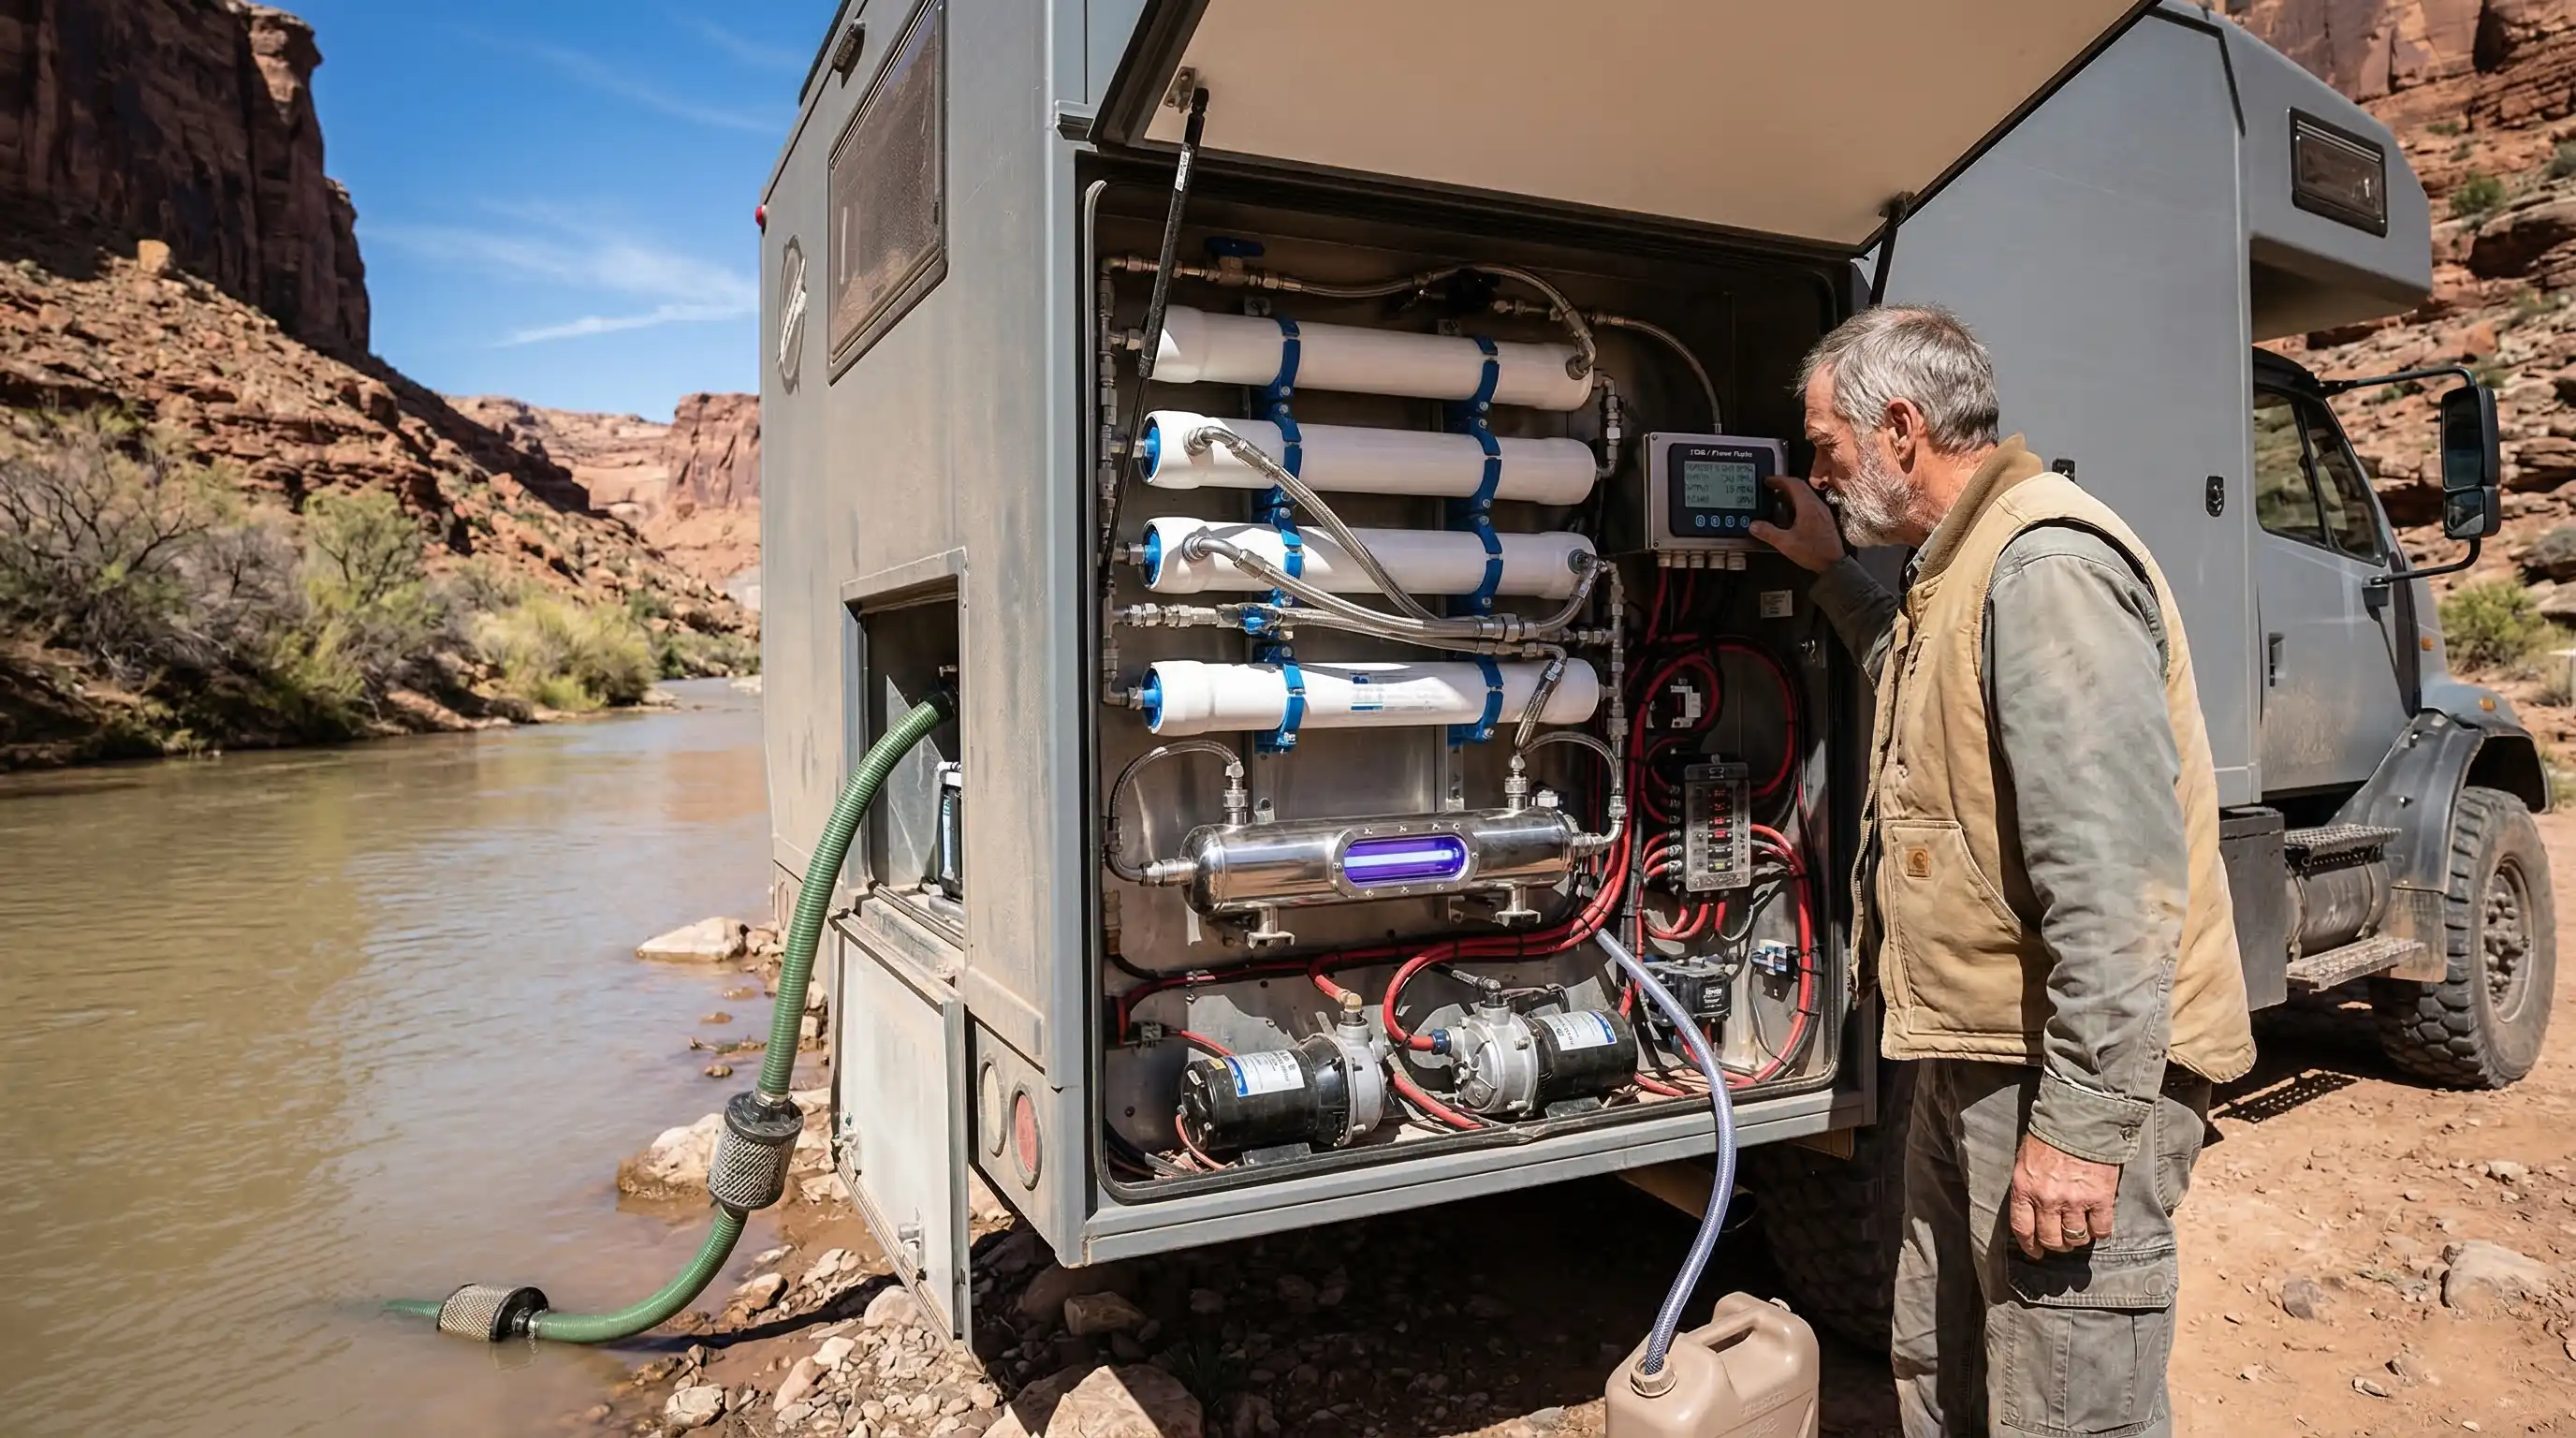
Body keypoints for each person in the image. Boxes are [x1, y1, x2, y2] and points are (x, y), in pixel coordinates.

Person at [1749, 306, 2255, 1438]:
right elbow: (1931, 691)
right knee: (1952, 1364)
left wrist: (2079, 1133)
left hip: (2061, 1069)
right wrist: (1835, 576)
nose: (1822, 474)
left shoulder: (2047, 566)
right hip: (1978, 1051)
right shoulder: (1962, 567)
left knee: (2064, 1401)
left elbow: (2118, 890)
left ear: (1899, 426)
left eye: (1827, 449)